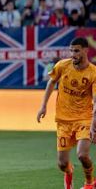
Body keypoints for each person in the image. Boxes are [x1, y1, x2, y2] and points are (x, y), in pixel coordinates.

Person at [37, 38, 96, 189]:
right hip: (63, 121)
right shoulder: (63, 65)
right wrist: (43, 106)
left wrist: (94, 126)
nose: (73, 54)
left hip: (84, 118)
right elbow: (51, 82)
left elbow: (95, 101)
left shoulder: (93, 73)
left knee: (82, 155)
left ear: (85, 50)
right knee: (63, 164)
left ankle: (89, 183)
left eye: (76, 51)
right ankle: (69, 172)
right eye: (71, 51)